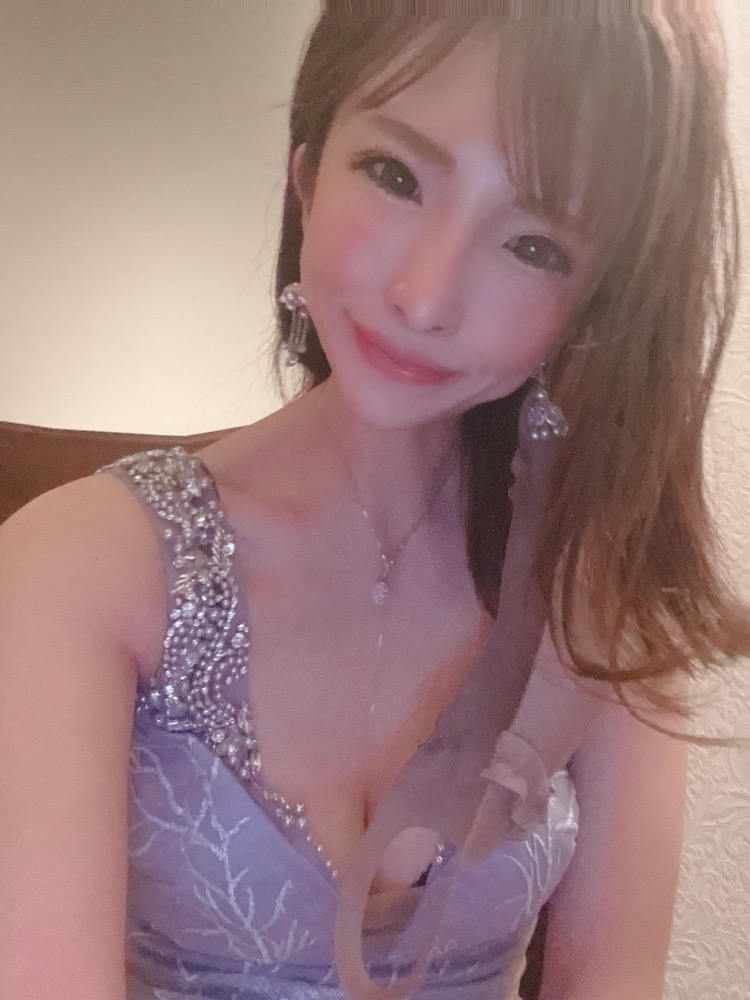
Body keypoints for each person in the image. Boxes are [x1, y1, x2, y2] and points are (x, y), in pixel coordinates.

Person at [1, 9, 748, 1000]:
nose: (425, 296)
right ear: (307, 171)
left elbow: (612, 980)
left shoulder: (598, 593)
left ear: (601, 301)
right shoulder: (77, 569)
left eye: (534, 245)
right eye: (395, 175)